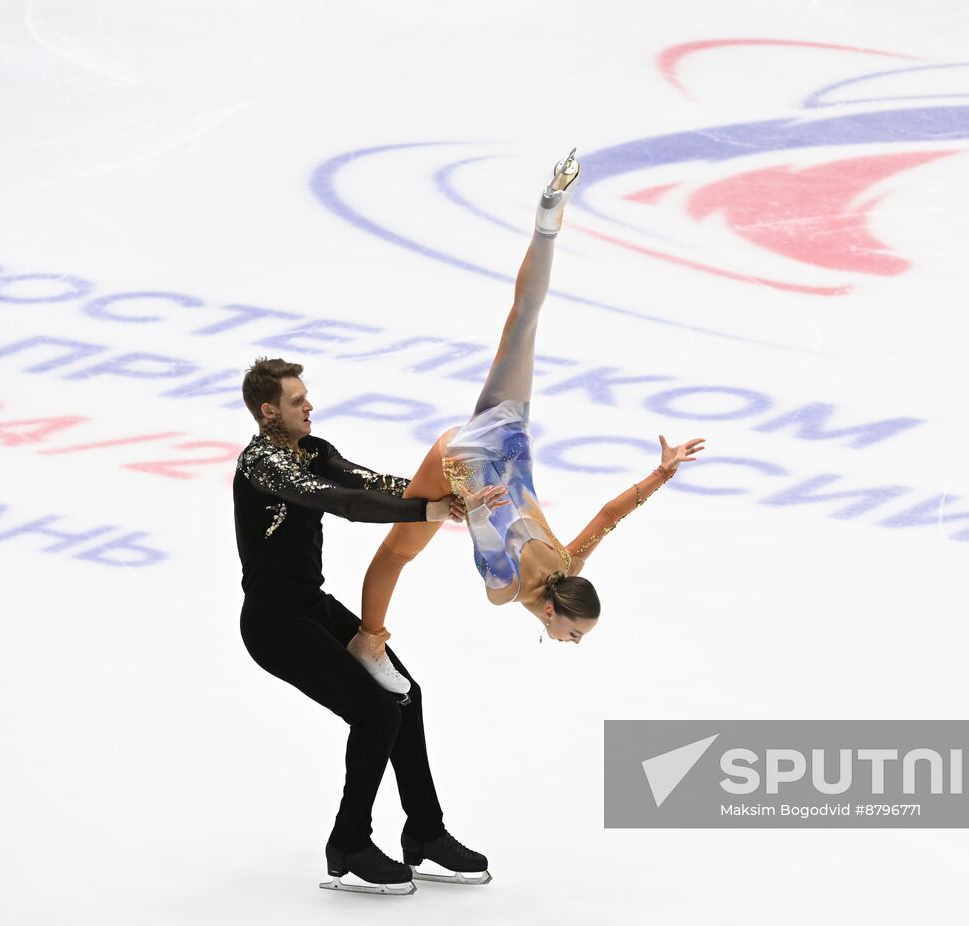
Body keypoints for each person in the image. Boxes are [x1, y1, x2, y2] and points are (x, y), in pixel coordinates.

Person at [348, 150, 707, 694]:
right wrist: (463, 500)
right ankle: (367, 639)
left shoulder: (570, 559)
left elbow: (611, 515)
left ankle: (547, 221)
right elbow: (486, 532)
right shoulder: (506, 591)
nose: (572, 640)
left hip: (507, 436)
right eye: (575, 634)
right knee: (396, 554)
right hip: (461, 460)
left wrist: (662, 476)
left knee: (524, 321)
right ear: (552, 615)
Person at [233, 358, 491, 894]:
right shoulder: (263, 465)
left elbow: (369, 482)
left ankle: (424, 832)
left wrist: (444, 498)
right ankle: (348, 844)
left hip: (312, 606)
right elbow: (343, 502)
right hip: (275, 624)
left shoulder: (313, 450)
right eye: (297, 400)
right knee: (374, 713)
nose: (309, 406)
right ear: (268, 411)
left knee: (405, 697)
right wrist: (429, 514)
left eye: (307, 397)